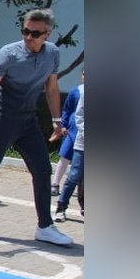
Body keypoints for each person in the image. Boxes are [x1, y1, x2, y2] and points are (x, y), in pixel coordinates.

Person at [0, 8, 73, 246]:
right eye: (25, 31)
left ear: (47, 34)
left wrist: (57, 120)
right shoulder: (8, 54)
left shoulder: (52, 53)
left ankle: (45, 227)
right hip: (2, 119)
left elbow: (51, 88)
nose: (28, 36)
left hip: (28, 121)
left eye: (34, 33)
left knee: (43, 170)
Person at [54, 81, 84, 222]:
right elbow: (79, 116)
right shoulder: (81, 91)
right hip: (83, 141)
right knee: (74, 175)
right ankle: (61, 207)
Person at [50, 70, 84, 195]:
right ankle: (55, 184)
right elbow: (67, 109)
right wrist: (63, 125)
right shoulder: (75, 91)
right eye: (84, 74)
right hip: (72, 130)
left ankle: (79, 189)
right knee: (64, 157)